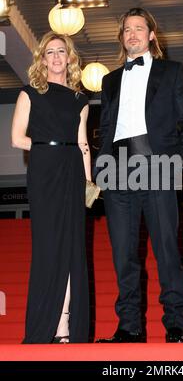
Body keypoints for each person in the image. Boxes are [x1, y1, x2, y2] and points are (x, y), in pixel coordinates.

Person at [94, 7, 183, 343]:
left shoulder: (173, 71)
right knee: (123, 254)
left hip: (157, 166)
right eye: (127, 30)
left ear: (152, 34)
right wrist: (101, 170)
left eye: (139, 28)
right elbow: (106, 128)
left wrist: (181, 164)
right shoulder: (109, 80)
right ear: (122, 37)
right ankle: (130, 326)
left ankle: (176, 323)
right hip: (117, 170)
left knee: (167, 250)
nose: (133, 34)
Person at [11, 31, 90, 343]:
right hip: (45, 171)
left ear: (69, 57)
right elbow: (17, 139)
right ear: (42, 59)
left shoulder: (80, 100)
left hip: (73, 172)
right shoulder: (29, 93)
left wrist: (88, 184)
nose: (57, 57)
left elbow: (84, 144)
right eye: (50, 52)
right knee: (48, 249)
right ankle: (48, 323)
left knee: (72, 251)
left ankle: (64, 326)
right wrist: (50, 148)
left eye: (62, 51)